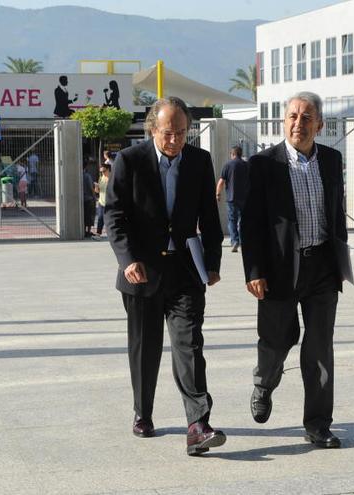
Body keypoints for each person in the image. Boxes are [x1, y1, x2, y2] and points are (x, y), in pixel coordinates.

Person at [104, 96, 226, 456]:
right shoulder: (130, 161)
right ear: (152, 129)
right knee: (145, 348)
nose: (175, 140)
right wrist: (127, 259)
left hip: (185, 269)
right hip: (142, 270)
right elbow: (114, 215)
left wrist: (214, 262)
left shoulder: (200, 161)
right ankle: (143, 413)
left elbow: (209, 215)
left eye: (182, 133)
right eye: (168, 133)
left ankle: (198, 424)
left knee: (189, 344)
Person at [240, 91, 351, 449]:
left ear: (319, 124)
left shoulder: (332, 160)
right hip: (278, 268)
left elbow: (336, 214)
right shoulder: (263, 164)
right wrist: (254, 270)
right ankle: (264, 384)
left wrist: (340, 261)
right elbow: (251, 222)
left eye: (306, 118)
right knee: (276, 341)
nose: (297, 124)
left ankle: (318, 424)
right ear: (283, 121)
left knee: (319, 347)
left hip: (321, 266)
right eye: (292, 116)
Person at [215, 146, 249, 252]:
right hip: (245, 198)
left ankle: (234, 241)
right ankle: (243, 242)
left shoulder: (228, 165)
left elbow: (221, 182)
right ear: (240, 154)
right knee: (243, 221)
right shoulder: (246, 165)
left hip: (231, 198)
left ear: (232, 154)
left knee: (232, 221)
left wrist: (218, 194)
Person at [94, 162, 110, 236]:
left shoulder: (112, 178)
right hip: (101, 202)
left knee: (109, 219)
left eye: (104, 171)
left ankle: (110, 233)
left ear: (108, 170)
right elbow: (98, 191)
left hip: (109, 202)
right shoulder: (101, 177)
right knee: (100, 218)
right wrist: (96, 187)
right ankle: (98, 233)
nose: (102, 173)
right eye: (101, 172)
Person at [82, 161, 95, 238]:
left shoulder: (77, 175)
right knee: (90, 215)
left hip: (81, 199)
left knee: (83, 216)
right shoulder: (87, 176)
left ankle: (83, 231)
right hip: (88, 199)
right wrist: (94, 197)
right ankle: (88, 231)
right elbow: (91, 188)